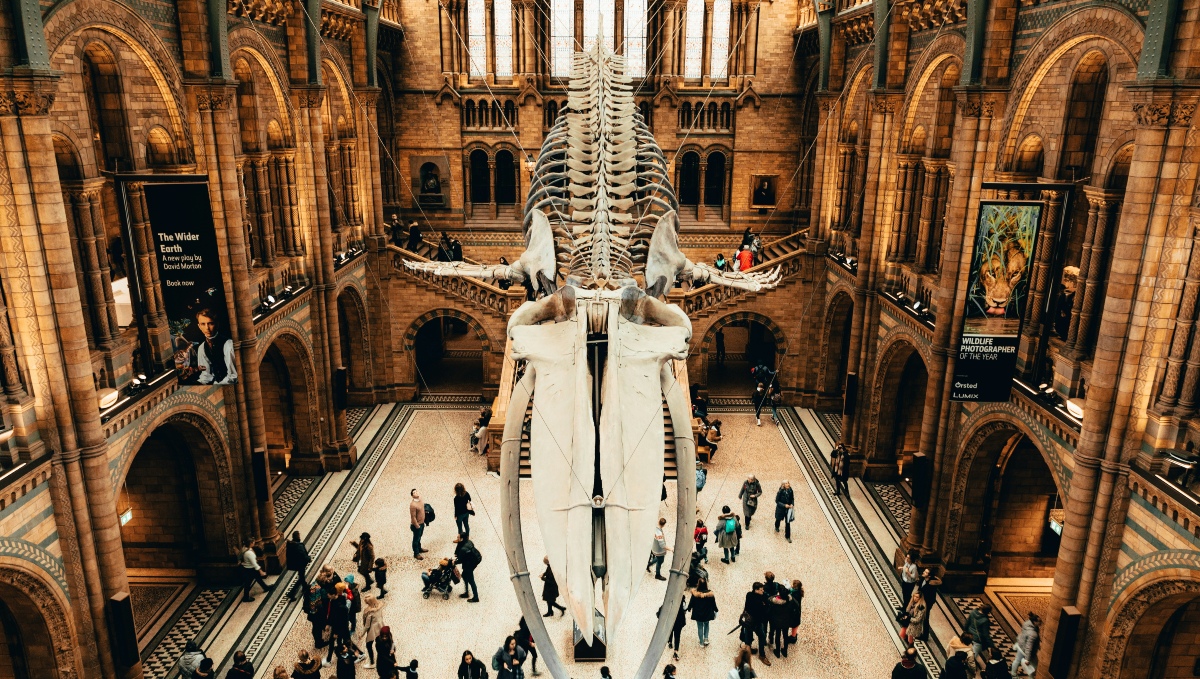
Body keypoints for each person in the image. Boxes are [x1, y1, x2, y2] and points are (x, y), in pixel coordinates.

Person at [196, 308, 238, 385]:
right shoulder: (202, 348)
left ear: (217, 324)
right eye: (203, 324)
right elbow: (206, 375)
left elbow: (233, 376)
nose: (207, 328)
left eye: (210, 323)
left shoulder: (228, 344)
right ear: (199, 326)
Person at [741, 582, 771, 666]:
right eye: (761, 590)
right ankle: (762, 655)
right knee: (762, 636)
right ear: (756, 590)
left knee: (748, 636)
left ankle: (748, 651)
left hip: (748, 621)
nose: (763, 591)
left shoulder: (749, 595)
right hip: (756, 622)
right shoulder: (759, 601)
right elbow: (765, 610)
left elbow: (747, 607)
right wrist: (764, 605)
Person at [687, 578, 717, 646]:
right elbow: (713, 603)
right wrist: (716, 610)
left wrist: (689, 609)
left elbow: (691, 603)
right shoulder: (710, 594)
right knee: (706, 625)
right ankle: (706, 638)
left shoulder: (695, 594)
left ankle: (701, 642)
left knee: (700, 627)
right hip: (707, 613)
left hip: (698, 614)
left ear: (698, 584)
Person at [358, 592, 384, 669]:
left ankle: (372, 662)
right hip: (380, 626)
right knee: (379, 643)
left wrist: (361, 635)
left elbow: (367, 626)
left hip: (372, 630)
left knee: (369, 645)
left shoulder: (369, 613)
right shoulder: (379, 607)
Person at [454, 532, 482, 601]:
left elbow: (459, 560)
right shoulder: (469, 542)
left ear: (462, 539)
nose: (457, 538)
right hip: (471, 561)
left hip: (469, 565)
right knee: (464, 575)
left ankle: (476, 597)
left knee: (471, 580)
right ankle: (466, 592)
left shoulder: (464, 549)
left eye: (458, 537)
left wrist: (453, 562)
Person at [1011, 613, 1040, 678]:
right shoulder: (1033, 634)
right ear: (1034, 622)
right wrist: (1027, 659)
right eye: (1039, 621)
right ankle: (1031, 677)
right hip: (1025, 650)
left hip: (1020, 645)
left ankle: (1013, 674)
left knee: (1017, 660)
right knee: (1034, 666)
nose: (1041, 623)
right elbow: (1029, 647)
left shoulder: (1027, 623)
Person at [286, 531, 311, 600]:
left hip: (296, 563)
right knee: (301, 578)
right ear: (298, 536)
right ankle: (291, 593)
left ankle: (304, 586)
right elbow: (303, 555)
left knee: (301, 576)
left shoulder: (291, 544)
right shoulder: (299, 546)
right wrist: (308, 558)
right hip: (300, 564)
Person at [663, 596, 687, 660]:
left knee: (670, 631)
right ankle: (675, 651)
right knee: (677, 636)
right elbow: (685, 609)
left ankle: (670, 642)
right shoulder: (682, 601)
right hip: (679, 621)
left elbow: (661, 610)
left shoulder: (669, 601)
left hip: (670, 621)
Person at [410, 489, 428, 559]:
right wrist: (417, 526)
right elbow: (413, 517)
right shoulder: (413, 505)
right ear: (412, 496)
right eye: (414, 492)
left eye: (416, 491)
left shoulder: (420, 500)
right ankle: (416, 553)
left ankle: (419, 548)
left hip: (422, 523)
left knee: (419, 537)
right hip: (417, 525)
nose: (416, 492)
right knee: (416, 539)